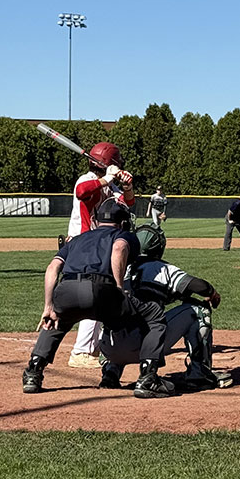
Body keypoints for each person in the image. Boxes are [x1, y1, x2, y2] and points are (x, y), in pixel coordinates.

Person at [22, 199, 169, 398]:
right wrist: (119, 287)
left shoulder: (76, 239)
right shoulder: (124, 235)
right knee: (154, 315)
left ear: (95, 220)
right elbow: (119, 248)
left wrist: (49, 306)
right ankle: (146, 375)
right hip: (102, 290)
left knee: (55, 319)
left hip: (66, 289)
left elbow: (52, 267)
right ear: (123, 222)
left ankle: (33, 372)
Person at [99, 224, 233, 391]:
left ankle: (110, 373)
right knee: (199, 310)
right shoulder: (160, 268)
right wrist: (213, 293)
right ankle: (200, 374)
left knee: (114, 313)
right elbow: (198, 286)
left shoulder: (117, 268)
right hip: (144, 347)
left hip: (110, 348)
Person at [64, 141, 136, 369]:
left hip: (99, 245)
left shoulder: (110, 186)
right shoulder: (86, 179)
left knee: (101, 294)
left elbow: (128, 204)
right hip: (83, 244)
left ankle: (91, 348)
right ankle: (81, 352)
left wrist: (127, 186)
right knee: (95, 295)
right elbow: (82, 192)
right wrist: (108, 178)